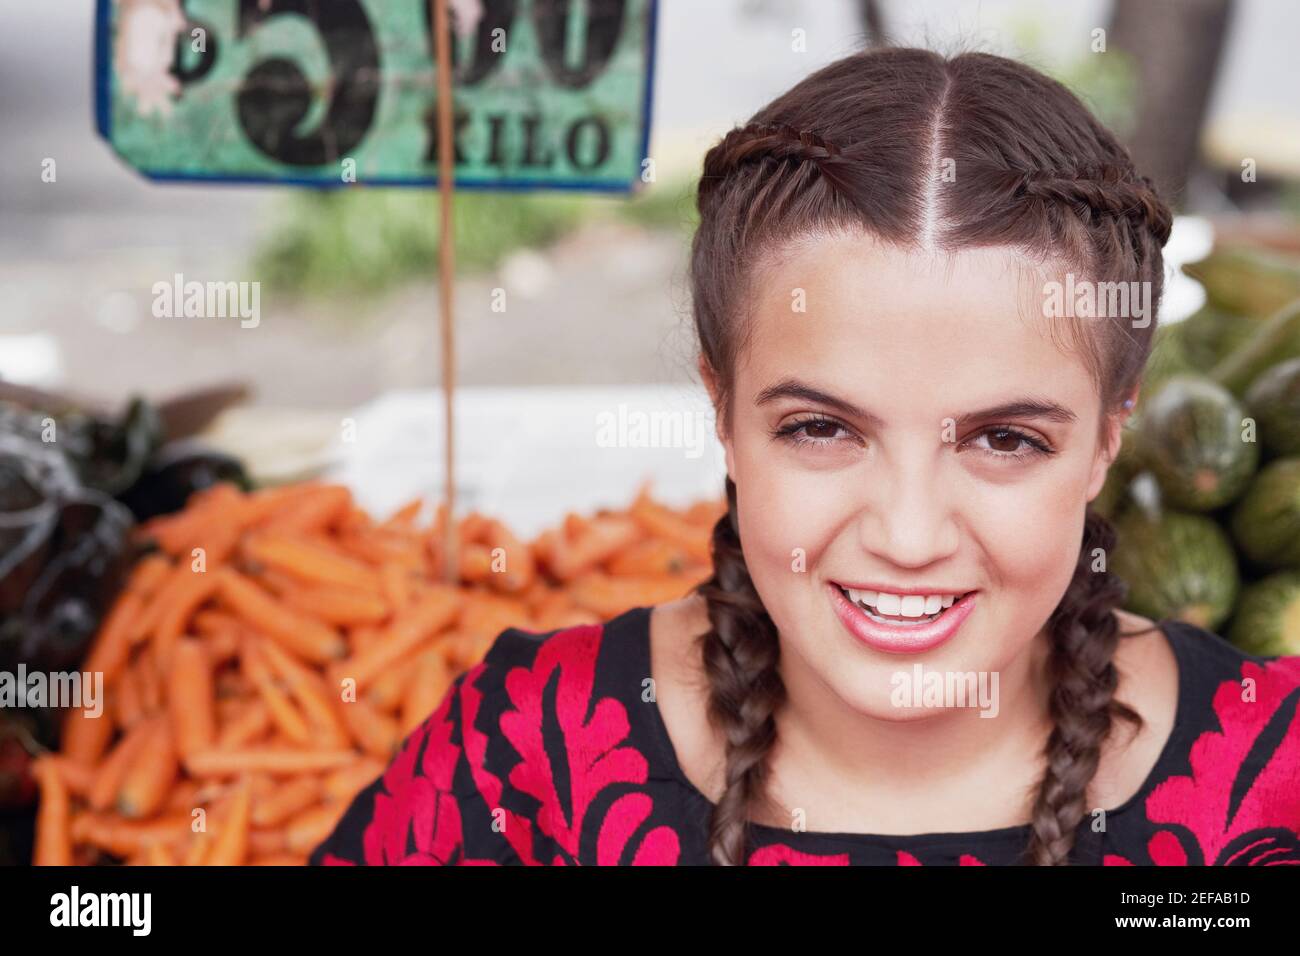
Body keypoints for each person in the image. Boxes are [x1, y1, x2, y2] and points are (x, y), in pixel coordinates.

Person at [310, 47, 1300, 866]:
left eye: (1005, 439)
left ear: (1106, 440)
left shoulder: (1270, 783)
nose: (907, 536)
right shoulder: (527, 761)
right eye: (821, 428)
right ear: (723, 414)